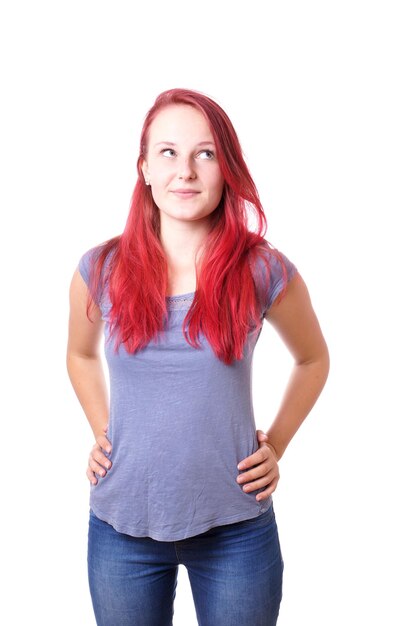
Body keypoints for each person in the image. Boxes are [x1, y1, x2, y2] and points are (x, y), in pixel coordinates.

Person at [66, 88, 329, 626]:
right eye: (168, 153)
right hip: (121, 529)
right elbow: (79, 354)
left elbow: (313, 360)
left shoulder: (262, 270)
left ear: (226, 167)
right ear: (143, 167)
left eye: (204, 154)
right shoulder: (101, 268)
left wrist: (276, 443)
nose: (184, 171)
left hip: (237, 531)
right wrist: (101, 431)